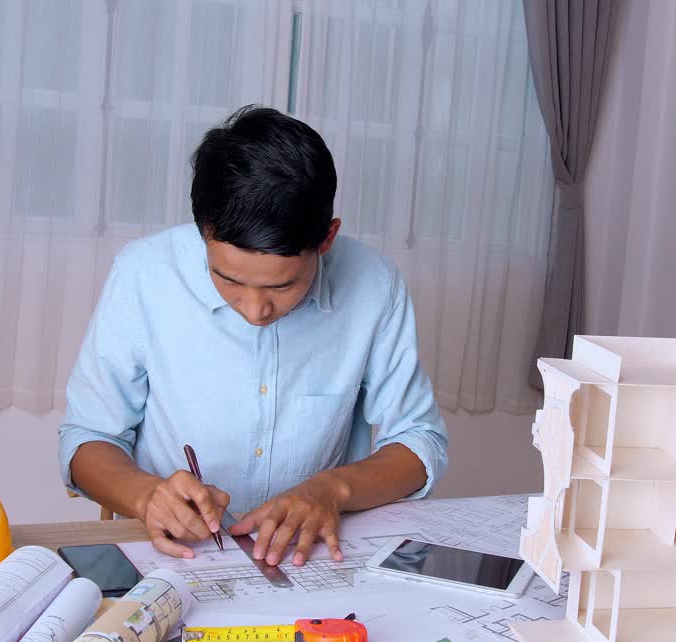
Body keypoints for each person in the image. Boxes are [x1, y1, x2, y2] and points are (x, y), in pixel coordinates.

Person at [59, 106, 447, 568]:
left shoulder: (375, 285)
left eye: (282, 286)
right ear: (204, 233)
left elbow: (420, 442)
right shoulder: (144, 275)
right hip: (174, 558)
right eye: (227, 281)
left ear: (327, 239)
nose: (254, 310)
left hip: (311, 557)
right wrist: (146, 496)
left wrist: (331, 490)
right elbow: (86, 438)